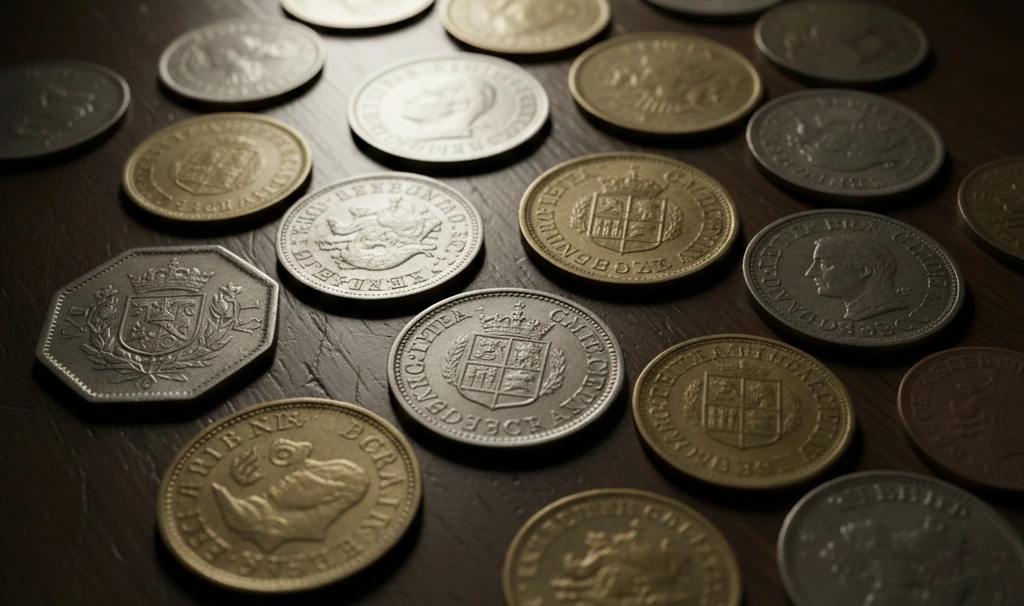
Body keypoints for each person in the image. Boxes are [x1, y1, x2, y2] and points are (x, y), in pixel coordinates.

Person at [805, 235, 908, 321]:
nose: (809, 273)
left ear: (864, 271)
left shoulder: (871, 313)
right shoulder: (858, 313)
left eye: (824, 265)